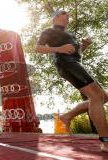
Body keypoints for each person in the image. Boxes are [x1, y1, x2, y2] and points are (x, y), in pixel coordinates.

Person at [35, 10, 108, 152]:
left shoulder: (71, 35)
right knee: (96, 96)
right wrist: (59, 49)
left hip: (76, 63)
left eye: (68, 15)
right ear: (55, 17)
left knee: (103, 97)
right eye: (64, 14)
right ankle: (105, 142)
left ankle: (67, 116)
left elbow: (77, 54)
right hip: (66, 64)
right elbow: (38, 48)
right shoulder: (49, 31)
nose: (68, 16)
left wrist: (84, 46)